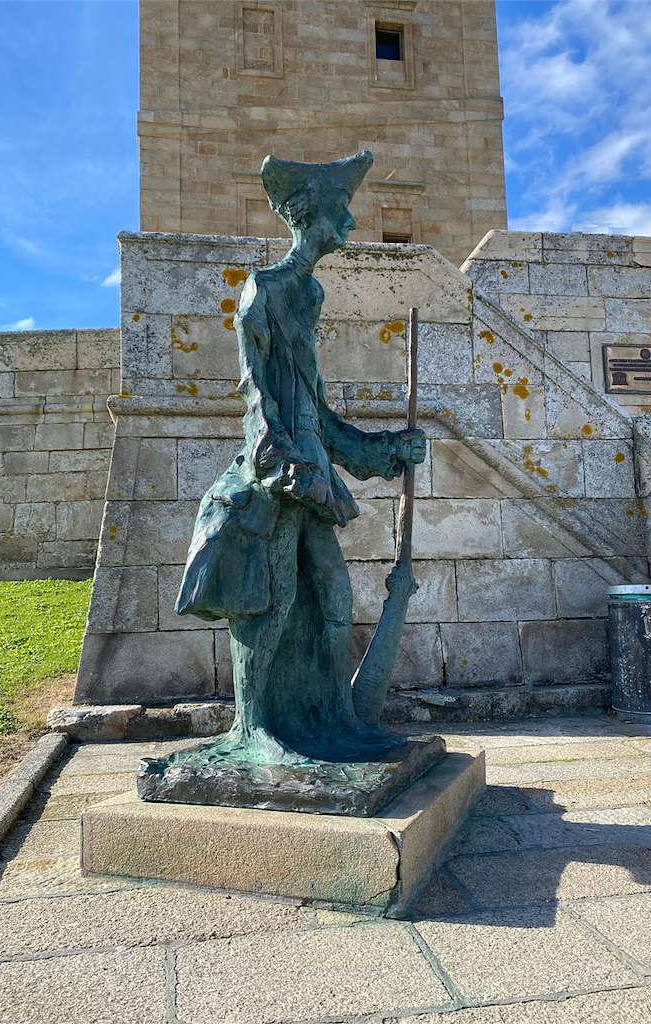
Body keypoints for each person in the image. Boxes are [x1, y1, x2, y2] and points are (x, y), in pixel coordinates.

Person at [175, 150, 426, 765]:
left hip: (309, 470)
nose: (352, 224)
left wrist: (383, 449)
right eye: (342, 211)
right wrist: (283, 467)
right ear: (308, 215)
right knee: (274, 600)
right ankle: (255, 730)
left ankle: (330, 718)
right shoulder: (264, 290)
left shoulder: (310, 294)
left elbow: (315, 409)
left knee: (335, 597)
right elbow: (259, 396)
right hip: (279, 477)